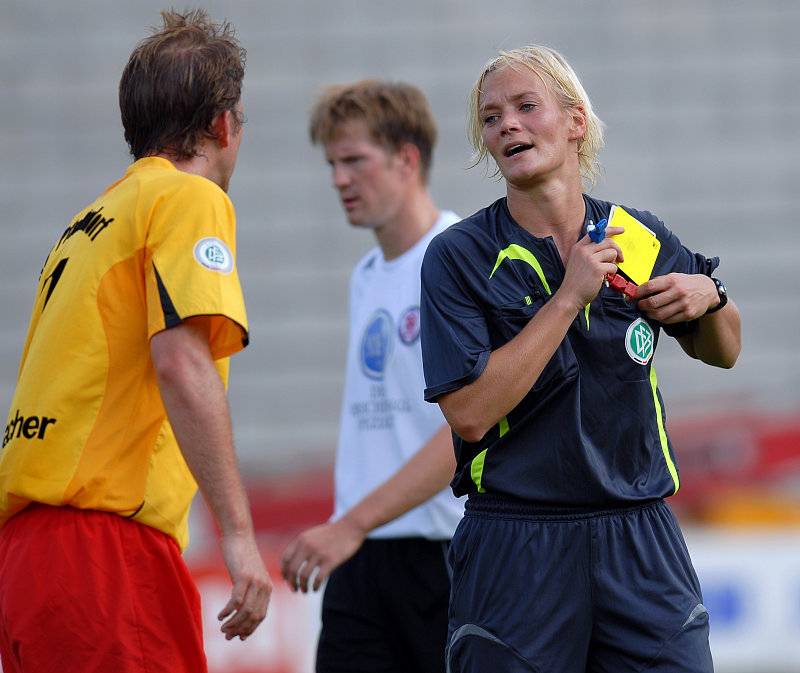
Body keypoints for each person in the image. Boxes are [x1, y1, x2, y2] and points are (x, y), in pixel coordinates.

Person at [419, 46, 741, 673]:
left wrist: (712, 295)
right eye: (491, 118)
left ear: (576, 121)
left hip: (640, 535)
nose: (507, 125)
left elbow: (724, 351)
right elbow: (470, 413)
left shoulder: (636, 236)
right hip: (517, 544)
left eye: (526, 106)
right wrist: (569, 297)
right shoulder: (457, 256)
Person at [0, 10, 271, 672]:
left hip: (26, 555)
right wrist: (239, 534)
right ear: (223, 124)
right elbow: (179, 360)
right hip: (104, 554)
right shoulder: (188, 198)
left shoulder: (88, 223)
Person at [280, 80, 464, 673]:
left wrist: (351, 523)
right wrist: (353, 527)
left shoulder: (459, 259)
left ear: (406, 160)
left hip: (443, 557)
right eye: (332, 165)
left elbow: (472, 428)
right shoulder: (366, 274)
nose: (339, 179)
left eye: (354, 160)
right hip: (360, 557)